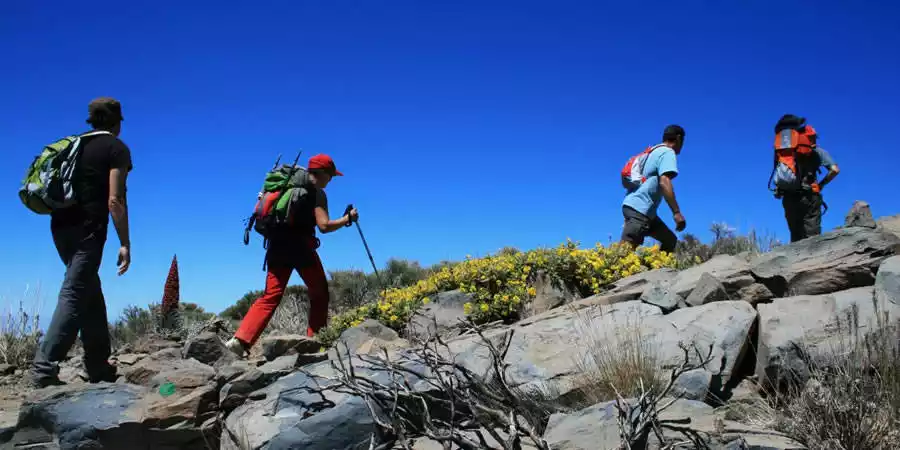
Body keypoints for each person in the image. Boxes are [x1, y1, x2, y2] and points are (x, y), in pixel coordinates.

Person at [30, 97, 133, 388]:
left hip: (60, 226)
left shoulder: (75, 144)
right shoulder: (116, 148)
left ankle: (98, 364)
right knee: (75, 293)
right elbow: (115, 199)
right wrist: (124, 242)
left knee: (90, 291)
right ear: (117, 121)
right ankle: (43, 369)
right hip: (88, 229)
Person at [226, 154, 358, 357]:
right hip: (301, 249)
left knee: (270, 296)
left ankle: (241, 340)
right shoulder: (316, 193)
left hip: (276, 246)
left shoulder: (283, 187)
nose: (330, 181)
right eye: (330, 176)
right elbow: (324, 226)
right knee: (319, 292)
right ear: (322, 174)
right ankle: (317, 340)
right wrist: (347, 219)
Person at [770, 114, 840, 242]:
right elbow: (835, 170)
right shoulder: (817, 151)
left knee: (795, 236)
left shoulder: (783, 150)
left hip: (789, 196)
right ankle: (814, 260)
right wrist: (822, 184)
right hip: (810, 195)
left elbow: (780, 170)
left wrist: (779, 190)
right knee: (813, 237)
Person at [619, 124, 687, 253]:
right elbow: (664, 181)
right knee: (623, 254)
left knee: (669, 240)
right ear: (678, 138)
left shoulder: (654, 151)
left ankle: (658, 269)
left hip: (638, 209)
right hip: (640, 210)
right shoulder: (667, 152)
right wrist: (676, 213)